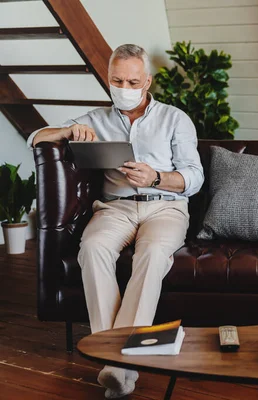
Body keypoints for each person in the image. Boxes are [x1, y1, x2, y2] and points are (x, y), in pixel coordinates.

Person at [28, 44, 204, 399]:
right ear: (108, 80)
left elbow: (194, 178)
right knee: (91, 248)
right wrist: (67, 132)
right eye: (117, 80)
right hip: (115, 208)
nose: (125, 87)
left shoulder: (175, 118)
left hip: (165, 208)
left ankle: (116, 364)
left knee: (153, 255)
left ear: (147, 81)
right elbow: (36, 138)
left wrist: (156, 177)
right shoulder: (93, 119)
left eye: (133, 80)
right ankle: (121, 363)